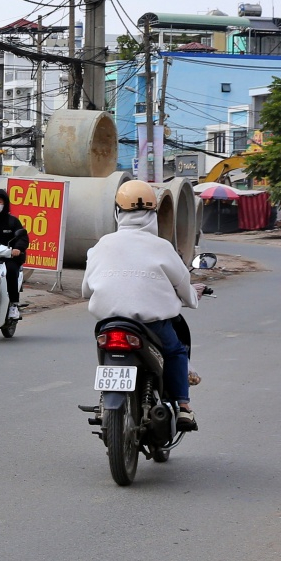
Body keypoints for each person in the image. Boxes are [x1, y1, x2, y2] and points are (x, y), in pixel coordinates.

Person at [83, 180, 201, 429]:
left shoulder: (102, 245)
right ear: (152, 214)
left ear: (118, 212)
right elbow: (182, 284)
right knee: (176, 352)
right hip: (151, 325)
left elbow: (86, 289)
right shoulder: (161, 246)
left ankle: (106, 401)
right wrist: (192, 299)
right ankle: (183, 406)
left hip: (108, 323)